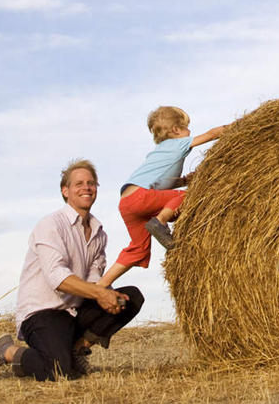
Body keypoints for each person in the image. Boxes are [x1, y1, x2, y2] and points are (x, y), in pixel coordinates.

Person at [0, 159, 143, 380]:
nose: (86, 188)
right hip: (42, 312)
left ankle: (77, 349)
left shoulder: (99, 233)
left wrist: (108, 295)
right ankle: (8, 351)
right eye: (79, 184)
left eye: (91, 183)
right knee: (58, 371)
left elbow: (95, 278)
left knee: (131, 297)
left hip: (74, 310)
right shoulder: (51, 225)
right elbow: (57, 277)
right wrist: (100, 293)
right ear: (65, 191)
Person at [97, 106, 230, 288]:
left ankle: (101, 285)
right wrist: (240, 126)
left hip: (127, 201)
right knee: (189, 196)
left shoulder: (160, 152)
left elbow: (161, 183)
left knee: (138, 250)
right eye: (186, 127)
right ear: (176, 130)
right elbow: (212, 134)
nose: (189, 131)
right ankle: (160, 221)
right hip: (141, 196)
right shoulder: (178, 143)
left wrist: (184, 180)